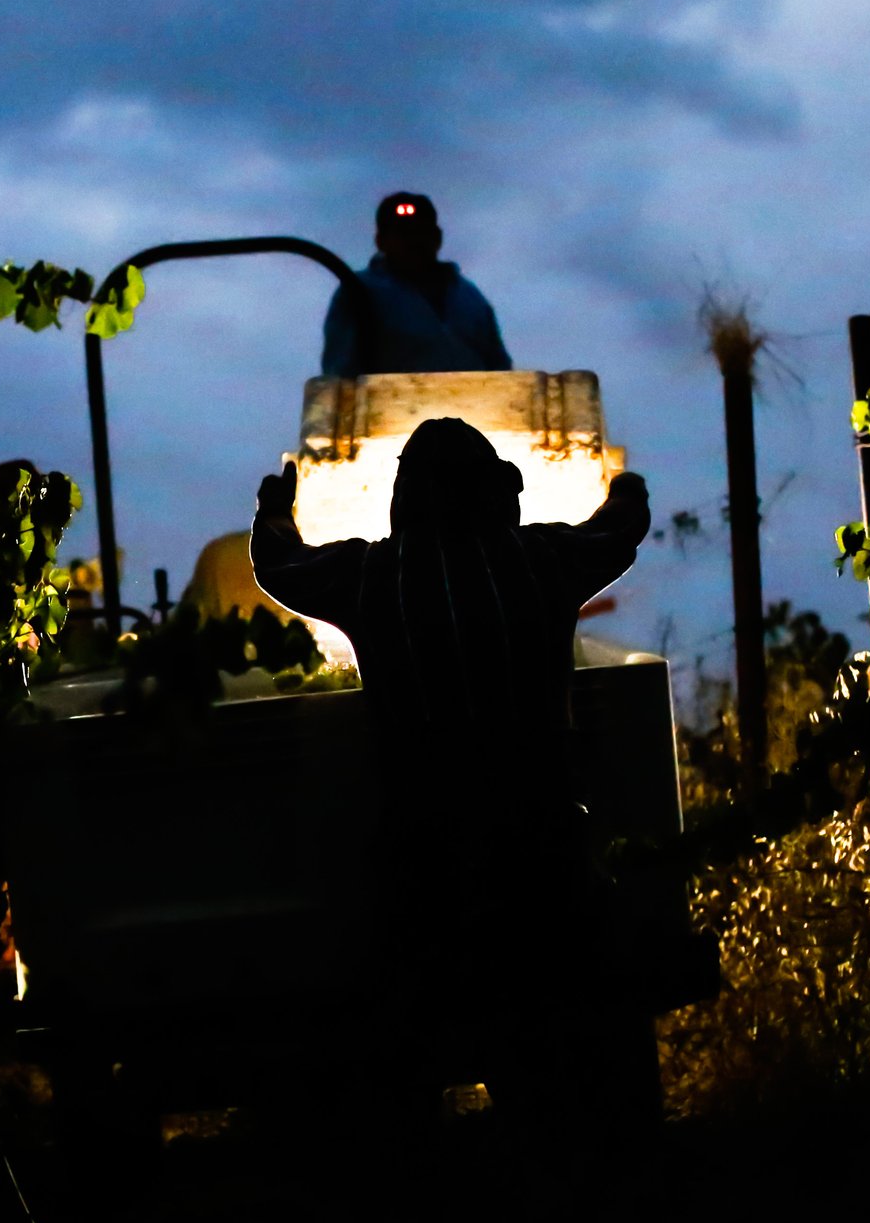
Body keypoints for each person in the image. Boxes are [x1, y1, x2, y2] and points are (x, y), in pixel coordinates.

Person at [250, 421, 654, 1171]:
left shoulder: (372, 576)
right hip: (542, 853)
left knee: (403, 1068)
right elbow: (621, 527)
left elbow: (279, 562)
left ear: (404, 499)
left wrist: (278, 504)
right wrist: (625, 481)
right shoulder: (545, 561)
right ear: (498, 491)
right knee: (558, 1068)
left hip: (420, 857)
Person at [321, 192, 513, 376]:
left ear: (437, 237)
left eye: (422, 232)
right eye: (402, 232)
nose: (414, 241)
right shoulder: (357, 292)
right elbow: (340, 371)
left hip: (471, 407)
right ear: (380, 241)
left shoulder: (470, 298)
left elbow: (499, 365)